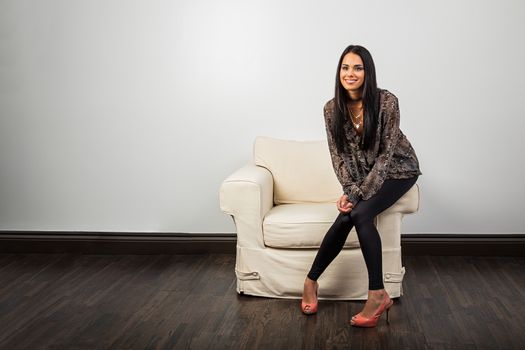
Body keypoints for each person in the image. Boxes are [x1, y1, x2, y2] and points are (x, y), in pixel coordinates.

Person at [301, 45, 421, 327]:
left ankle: (376, 293)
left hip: (398, 170)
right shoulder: (331, 109)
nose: (350, 73)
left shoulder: (387, 102)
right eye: (345, 67)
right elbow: (338, 157)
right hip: (366, 176)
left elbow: (385, 157)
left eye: (357, 67)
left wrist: (356, 194)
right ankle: (311, 281)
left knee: (358, 213)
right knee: (350, 214)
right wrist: (350, 188)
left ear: (368, 72)